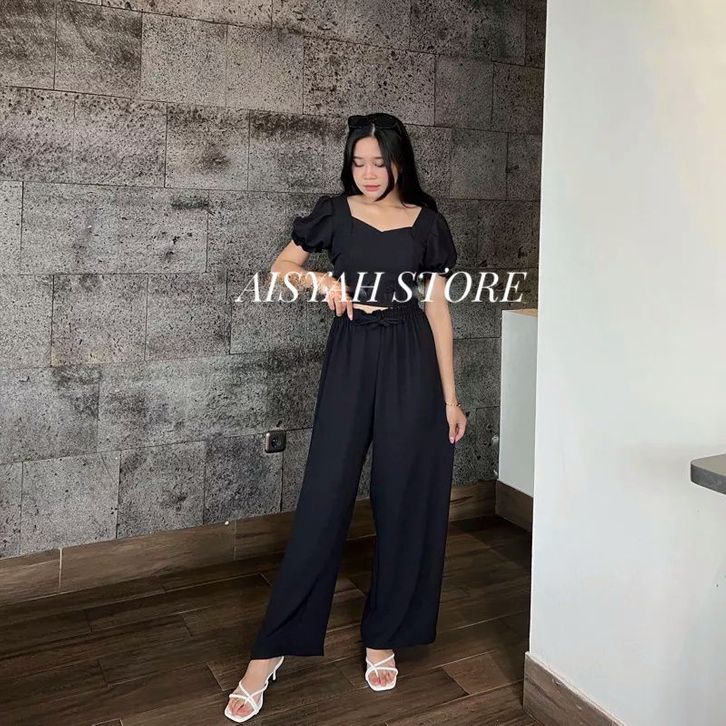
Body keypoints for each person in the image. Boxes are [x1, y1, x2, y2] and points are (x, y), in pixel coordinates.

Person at [224, 112, 468, 723]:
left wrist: (450, 398)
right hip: (353, 351)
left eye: (379, 162)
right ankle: (270, 652)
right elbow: (280, 270)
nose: (368, 173)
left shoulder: (427, 223)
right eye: (358, 162)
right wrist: (323, 284)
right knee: (325, 495)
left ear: (399, 163)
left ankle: (384, 634)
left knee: (403, 494)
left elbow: (438, 311)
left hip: (411, 355)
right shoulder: (334, 213)